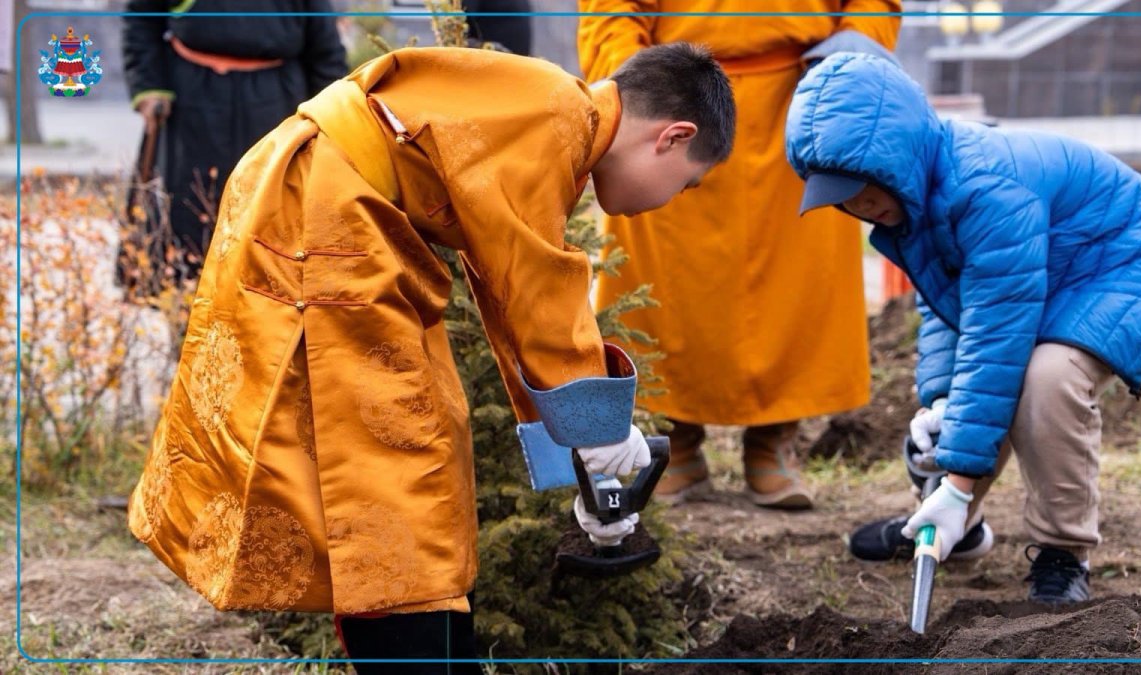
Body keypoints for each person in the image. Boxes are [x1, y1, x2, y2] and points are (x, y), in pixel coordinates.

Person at [126, 43, 734, 671]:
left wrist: (581, 454)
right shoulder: (556, 119)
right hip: (326, 217)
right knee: (396, 476)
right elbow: (538, 288)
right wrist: (599, 431)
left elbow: (509, 297)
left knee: (415, 457)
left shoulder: (554, 116)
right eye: (689, 181)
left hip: (335, 212)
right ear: (672, 136)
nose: (676, 196)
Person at [785, 53, 1141, 603]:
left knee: (1047, 378)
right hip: (1055, 266)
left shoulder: (985, 188)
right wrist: (938, 400)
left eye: (863, 187)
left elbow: (996, 338)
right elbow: (947, 306)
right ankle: (955, 534)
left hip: (1126, 259)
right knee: (960, 400)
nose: (857, 205)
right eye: (841, 197)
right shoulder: (913, 200)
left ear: (898, 157)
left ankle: (1062, 553)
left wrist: (955, 486)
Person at [578, 1, 900, 509]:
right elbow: (610, 9)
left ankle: (774, 440)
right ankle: (675, 440)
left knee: (796, 277)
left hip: (799, 100)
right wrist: (636, 91)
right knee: (664, 282)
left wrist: (846, 62)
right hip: (675, 101)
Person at [121, 0, 347, 277]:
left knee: (271, 213)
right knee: (189, 209)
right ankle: (182, 301)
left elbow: (324, 46)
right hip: (192, 96)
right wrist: (149, 85)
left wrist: (328, 115)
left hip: (277, 98)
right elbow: (142, 17)